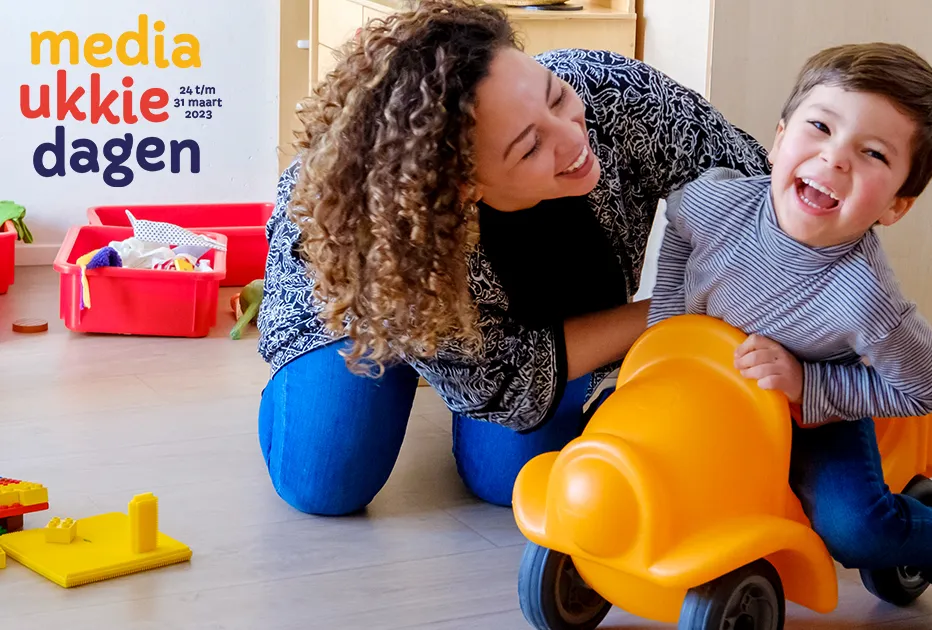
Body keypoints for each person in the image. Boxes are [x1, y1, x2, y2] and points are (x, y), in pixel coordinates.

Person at [255, 0, 769, 515]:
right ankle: (399, 364)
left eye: (555, 96)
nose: (573, 138)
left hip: (511, 326)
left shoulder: (619, 94)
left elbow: (762, 192)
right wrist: (672, 310)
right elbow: (503, 383)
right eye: (529, 148)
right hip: (357, 282)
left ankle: (447, 370)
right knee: (326, 483)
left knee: (510, 481)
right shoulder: (407, 248)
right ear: (464, 185)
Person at [647, 43, 932, 615]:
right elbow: (679, 240)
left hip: (812, 411)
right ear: (779, 137)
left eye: (872, 153)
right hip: (710, 390)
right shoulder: (710, 202)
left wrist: (806, 383)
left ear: (896, 206)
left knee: (854, 528)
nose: (835, 158)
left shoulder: (865, 299)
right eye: (820, 126)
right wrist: (665, 334)